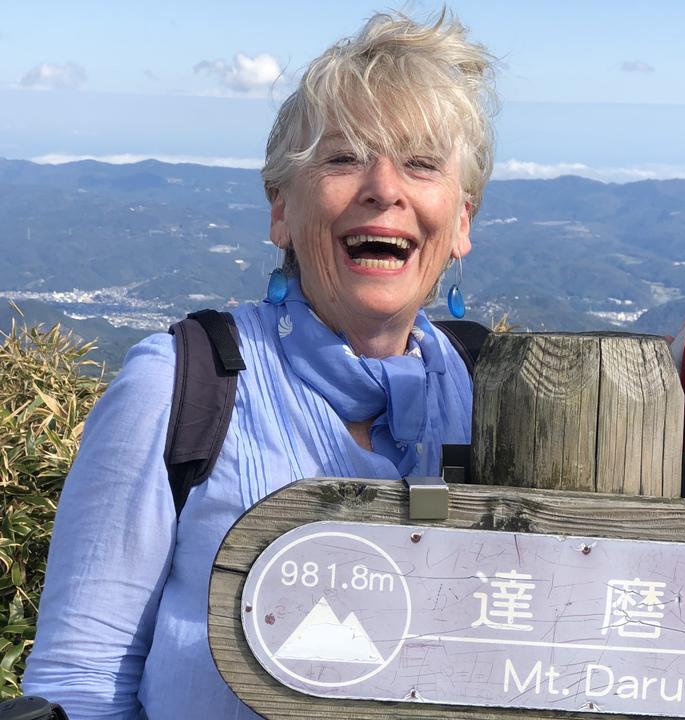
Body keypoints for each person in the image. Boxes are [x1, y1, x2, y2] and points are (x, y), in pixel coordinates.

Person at [21, 11, 496, 718]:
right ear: (280, 207)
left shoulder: (496, 396)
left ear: (461, 220)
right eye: (343, 158)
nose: (384, 188)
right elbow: (83, 677)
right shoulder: (182, 385)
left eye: (421, 164)